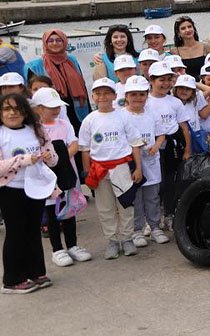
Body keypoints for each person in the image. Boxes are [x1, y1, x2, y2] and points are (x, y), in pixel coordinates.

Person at [79, 78, 145, 260]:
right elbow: (85, 149)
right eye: (98, 93)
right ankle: (112, 240)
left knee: (125, 204)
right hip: (99, 169)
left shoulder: (123, 116)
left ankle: (127, 238)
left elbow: (135, 143)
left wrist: (138, 168)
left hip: (122, 167)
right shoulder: (89, 120)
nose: (103, 97)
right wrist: (86, 173)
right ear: (92, 96)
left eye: (107, 92)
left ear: (115, 95)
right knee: (105, 207)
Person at [0, 92, 58, 293]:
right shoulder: (1, 134)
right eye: (6, 109)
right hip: (11, 191)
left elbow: (54, 159)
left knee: (33, 230)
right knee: (16, 233)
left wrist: (48, 157)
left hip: (36, 189)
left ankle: (36, 272)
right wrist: (24, 160)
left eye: (17, 109)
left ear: (26, 112)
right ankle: (12, 279)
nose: (12, 113)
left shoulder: (37, 130)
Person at [32, 87, 90, 268]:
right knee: (52, 213)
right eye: (51, 107)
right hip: (47, 176)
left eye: (58, 106)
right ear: (39, 108)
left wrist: (63, 157)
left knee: (69, 211)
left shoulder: (64, 124)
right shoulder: (34, 128)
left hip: (65, 172)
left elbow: (73, 143)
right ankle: (57, 249)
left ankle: (72, 245)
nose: (56, 110)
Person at [122, 76, 167, 249]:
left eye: (141, 94)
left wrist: (156, 146)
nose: (138, 98)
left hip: (151, 162)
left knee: (152, 197)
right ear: (126, 96)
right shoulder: (122, 115)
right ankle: (137, 230)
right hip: (132, 164)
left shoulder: (152, 114)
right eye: (133, 94)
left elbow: (161, 133)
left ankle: (155, 227)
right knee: (137, 198)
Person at [146, 61, 189, 227]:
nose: (164, 84)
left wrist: (187, 150)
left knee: (170, 182)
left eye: (168, 80)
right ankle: (151, 220)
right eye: (160, 80)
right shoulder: (145, 101)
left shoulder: (175, 102)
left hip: (172, 147)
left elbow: (184, 128)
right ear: (152, 80)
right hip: (152, 147)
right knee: (155, 183)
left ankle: (169, 215)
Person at [26, 29, 91, 130]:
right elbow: (32, 93)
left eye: (58, 40)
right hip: (51, 111)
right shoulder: (34, 65)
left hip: (76, 109)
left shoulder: (72, 60)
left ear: (64, 42)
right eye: (50, 41)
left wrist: (89, 112)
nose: (55, 43)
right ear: (45, 43)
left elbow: (82, 86)